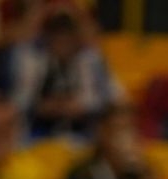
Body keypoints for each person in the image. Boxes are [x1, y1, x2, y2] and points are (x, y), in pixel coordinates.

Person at [8, 7, 124, 141]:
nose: (62, 43)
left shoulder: (90, 60)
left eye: (67, 36)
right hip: (37, 133)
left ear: (76, 37)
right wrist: (41, 106)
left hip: (83, 133)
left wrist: (82, 106)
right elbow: (18, 99)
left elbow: (109, 97)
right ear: (48, 37)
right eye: (57, 36)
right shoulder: (33, 59)